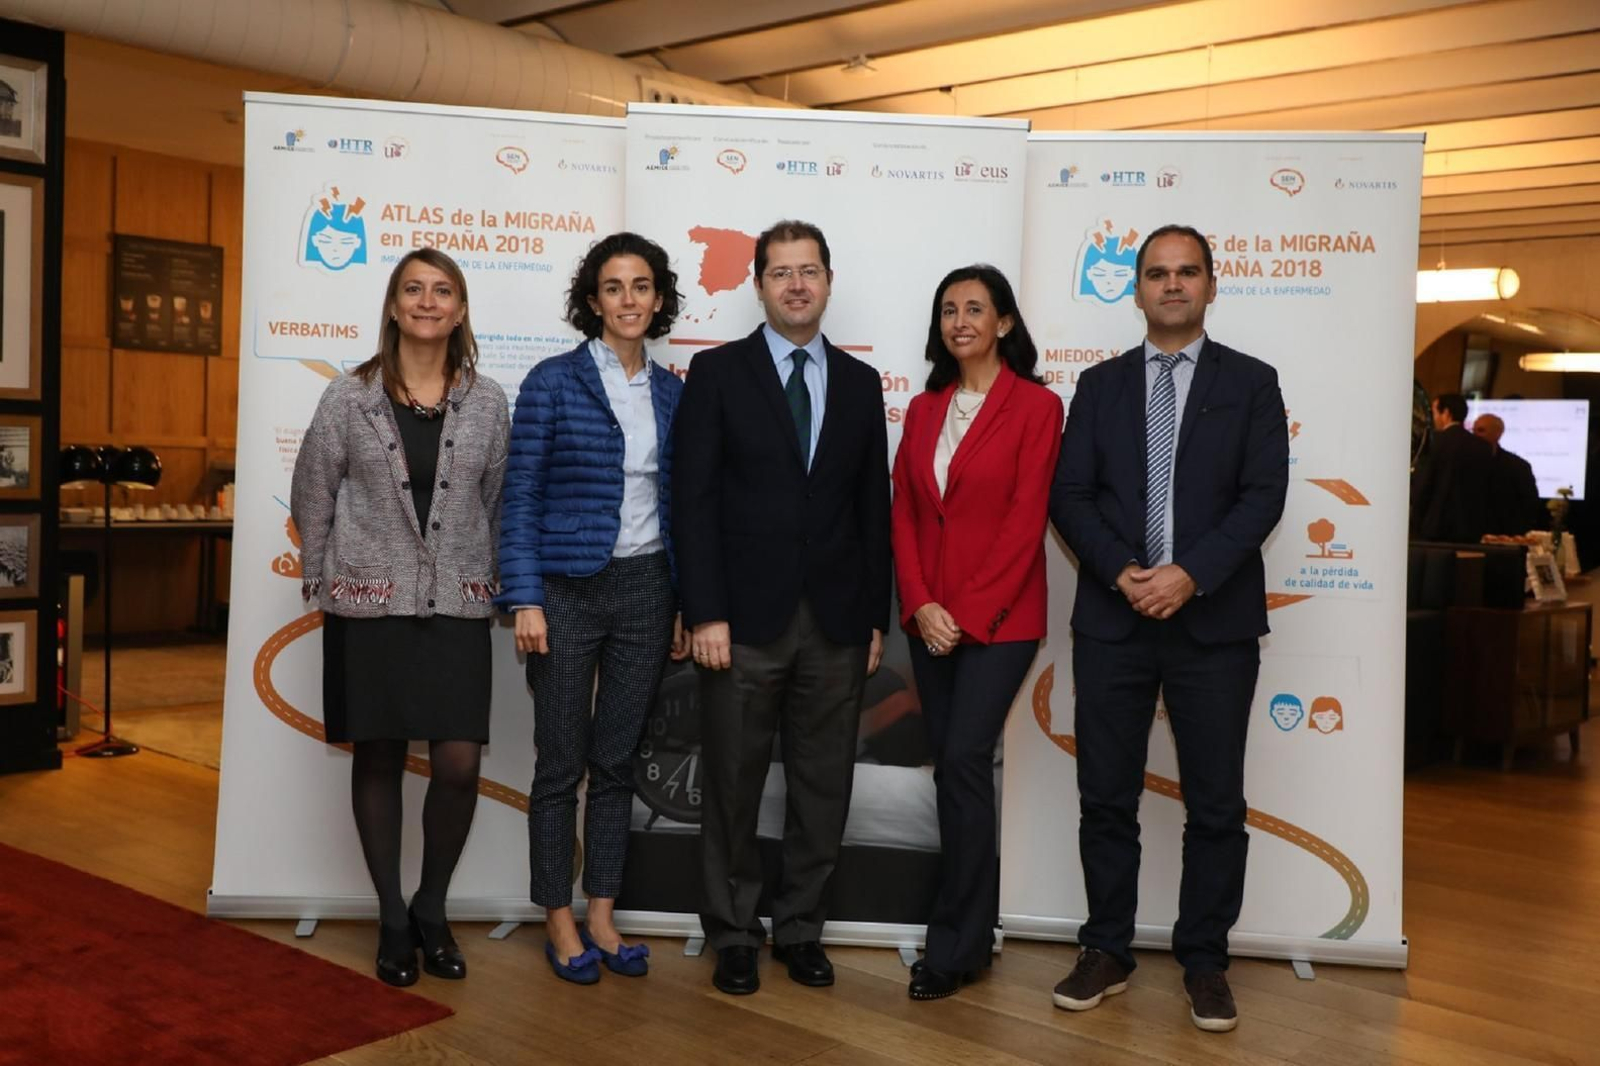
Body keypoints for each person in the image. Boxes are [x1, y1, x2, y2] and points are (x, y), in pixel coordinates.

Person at [1048, 224, 1289, 1033]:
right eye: (1157, 273)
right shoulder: (1099, 387)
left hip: (1212, 623)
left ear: (1212, 286)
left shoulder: (1253, 383)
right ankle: (1106, 947)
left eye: (1188, 273)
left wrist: (1190, 575)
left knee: (1216, 804)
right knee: (1105, 797)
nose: (1173, 285)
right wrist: (1124, 574)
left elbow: (1263, 497)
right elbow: (1070, 496)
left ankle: (1205, 961)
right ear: (1137, 288)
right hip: (1114, 621)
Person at [672, 219, 890, 996]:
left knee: (823, 783)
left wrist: (874, 620)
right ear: (759, 284)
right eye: (781, 272)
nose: (796, 284)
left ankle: (800, 928)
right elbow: (692, 502)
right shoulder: (718, 374)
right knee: (731, 781)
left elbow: (873, 511)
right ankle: (734, 931)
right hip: (740, 620)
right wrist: (704, 613)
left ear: (828, 282)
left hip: (835, 622)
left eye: (809, 271)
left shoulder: (863, 385)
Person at [291, 247, 510, 987]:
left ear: (460, 308)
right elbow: (313, 490)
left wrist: (491, 578)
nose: (426, 301)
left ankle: (432, 907)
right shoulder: (347, 397)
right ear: (392, 306)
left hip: (456, 601)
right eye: (412, 289)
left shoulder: (488, 402)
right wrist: (321, 575)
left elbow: (496, 501)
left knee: (456, 762)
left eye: (441, 290)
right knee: (379, 756)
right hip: (368, 603)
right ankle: (391, 918)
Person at [498, 232, 691, 984]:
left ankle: (602, 915)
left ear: (659, 298)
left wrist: (683, 599)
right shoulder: (551, 382)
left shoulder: (676, 393)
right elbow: (520, 497)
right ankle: (557, 917)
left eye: (642, 286)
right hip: (566, 591)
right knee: (560, 764)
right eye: (614, 287)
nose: (630, 300)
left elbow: (678, 507)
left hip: (648, 589)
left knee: (616, 764)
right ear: (592, 301)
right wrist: (525, 597)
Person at [890, 265, 1062, 1000]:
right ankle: (972, 935)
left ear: (1005, 323)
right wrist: (923, 605)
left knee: (962, 761)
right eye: (949, 310)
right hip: (931, 623)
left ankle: (953, 945)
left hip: (1001, 624)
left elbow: (1025, 525)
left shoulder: (1037, 407)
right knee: (956, 772)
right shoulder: (926, 409)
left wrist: (966, 614)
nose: (960, 321)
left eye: (976, 309)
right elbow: (902, 511)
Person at [1411, 393, 1493, 542]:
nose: (1433, 418)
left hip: (1434, 527)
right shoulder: (1483, 447)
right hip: (1471, 528)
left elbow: (1422, 486)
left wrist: (1414, 522)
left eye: (1435, 413)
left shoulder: (1433, 442)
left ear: (1446, 413)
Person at [1471, 412, 1543, 535]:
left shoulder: (1518, 466)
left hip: (1505, 536)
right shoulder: (1465, 462)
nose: (1475, 435)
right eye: (1473, 430)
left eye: (1481, 430)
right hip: (1469, 535)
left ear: (1498, 433)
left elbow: (1529, 504)